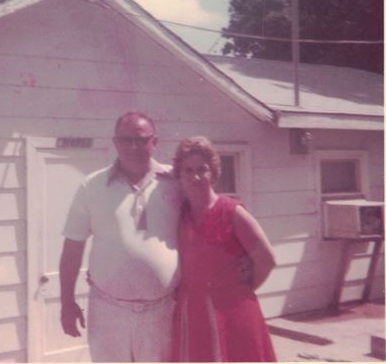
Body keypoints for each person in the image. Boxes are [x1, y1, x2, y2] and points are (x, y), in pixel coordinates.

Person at [59, 112, 181, 362]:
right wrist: (67, 302)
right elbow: (72, 248)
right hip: (108, 312)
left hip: (164, 312)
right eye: (126, 140)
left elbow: (208, 216)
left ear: (154, 142)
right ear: (115, 143)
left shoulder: (176, 181)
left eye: (141, 140)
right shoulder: (91, 186)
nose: (133, 147)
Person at [172, 136, 277, 362]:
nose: (196, 177)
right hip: (192, 312)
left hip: (232, 312)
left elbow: (267, 259)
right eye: (188, 170)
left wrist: (242, 287)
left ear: (213, 172)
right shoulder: (180, 214)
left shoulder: (232, 212)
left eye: (202, 169)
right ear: (179, 175)